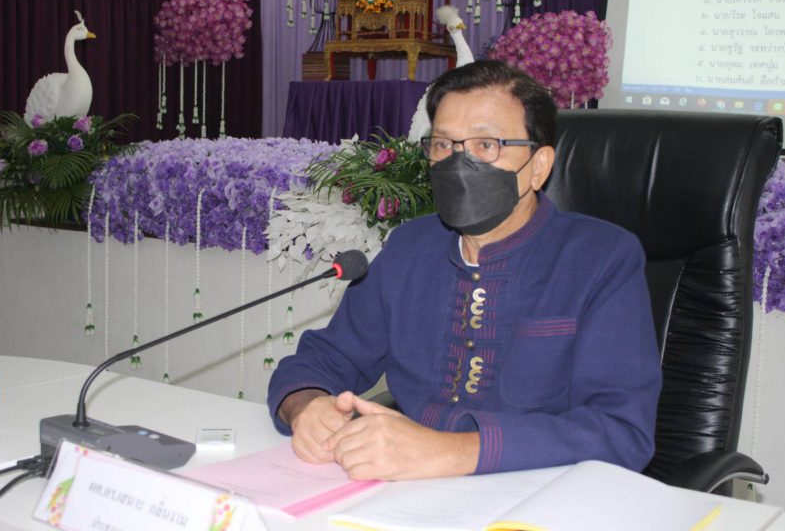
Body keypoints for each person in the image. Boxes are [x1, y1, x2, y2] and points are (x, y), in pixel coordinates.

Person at [268, 60, 662, 481]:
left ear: (539, 166)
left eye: (486, 144)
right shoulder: (409, 248)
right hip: (406, 493)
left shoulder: (601, 259)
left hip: (540, 495)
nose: (459, 162)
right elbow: (323, 359)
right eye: (443, 144)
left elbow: (620, 431)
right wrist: (307, 406)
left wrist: (449, 452)